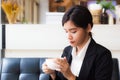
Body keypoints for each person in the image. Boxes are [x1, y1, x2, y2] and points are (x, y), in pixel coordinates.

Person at [42, 5, 113, 80]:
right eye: (66, 31)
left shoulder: (103, 55)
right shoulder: (67, 50)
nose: (68, 36)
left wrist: (70, 76)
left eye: (73, 31)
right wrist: (52, 73)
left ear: (88, 27)